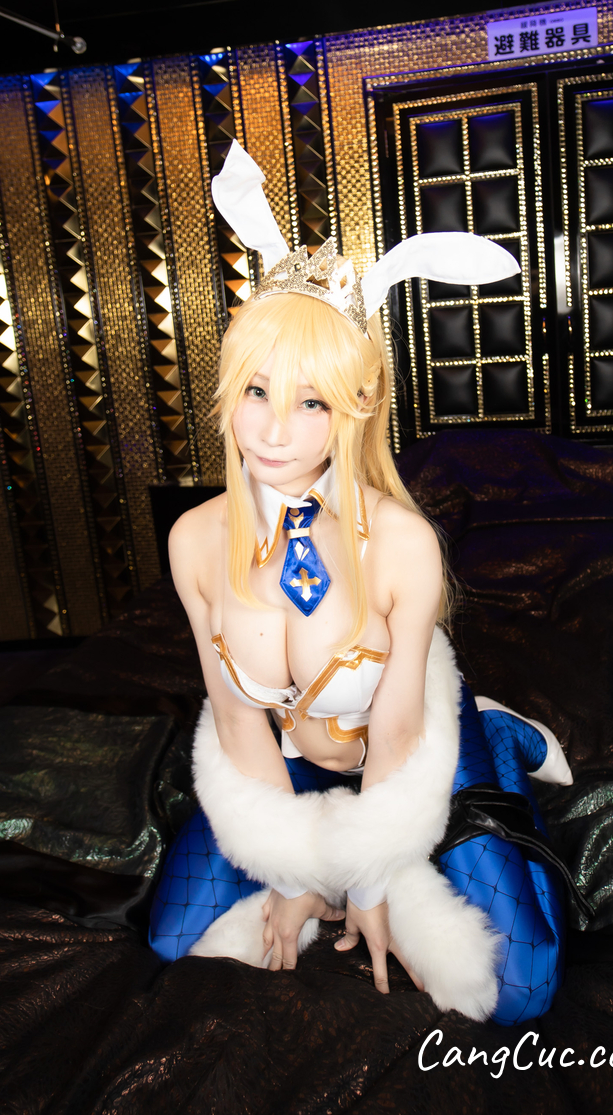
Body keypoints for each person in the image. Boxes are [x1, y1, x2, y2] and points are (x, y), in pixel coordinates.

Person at [149, 141, 574, 1024]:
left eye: (310, 402)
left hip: (405, 748)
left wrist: (373, 879)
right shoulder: (194, 540)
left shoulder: (402, 543)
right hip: (283, 764)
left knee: (521, 989)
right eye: (255, 391)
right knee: (169, 942)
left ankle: (497, 736)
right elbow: (236, 716)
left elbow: (397, 726)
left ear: (353, 408)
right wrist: (290, 872)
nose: (273, 431)